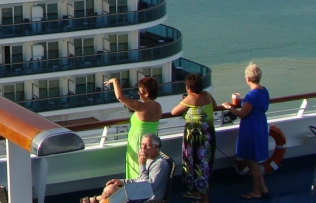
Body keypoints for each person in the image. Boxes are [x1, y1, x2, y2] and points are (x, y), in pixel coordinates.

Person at [222, 62, 270, 199]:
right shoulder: (264, 91)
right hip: (260, 124)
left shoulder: (251, 96)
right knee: (254, 160)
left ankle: (256, 192)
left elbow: (242, 114)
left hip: (251, 129)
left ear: (247, 79)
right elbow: (254, 106)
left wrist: (229, 107)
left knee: (252, 161)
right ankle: (263, 187)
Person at [81, 133, 169, 203]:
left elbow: (148, 187)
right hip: (140, 192)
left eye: (147, 145)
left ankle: (95, 200)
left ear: (156, 146)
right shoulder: (148, 158)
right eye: (142, 145)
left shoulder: (159, 164)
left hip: (149, 198)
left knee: (108, 199)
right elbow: (140, 179)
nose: (143, 148)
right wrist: (121, 181)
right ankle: (96, 200)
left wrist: (142, 165)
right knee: (109, 189)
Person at [171, 72, 217, 202]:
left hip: (196, 138)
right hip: (208, 134)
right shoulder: (207, 95)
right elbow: (214, 106)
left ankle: (201, 196)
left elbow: (174, 111)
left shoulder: (191, 98)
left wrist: (185, 101)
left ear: (189, 88)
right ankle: (199, 193)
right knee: (205, 164)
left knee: (194, 164)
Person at [107, 76, 162, 179]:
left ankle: (137, 190)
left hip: (139, 141)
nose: (138, 93)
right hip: (152, 139)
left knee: (137, 167)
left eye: (141, 91)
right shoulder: (158, 106)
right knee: (148, 165)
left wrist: (114, 81)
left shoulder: (141, 106)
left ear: (146, 93)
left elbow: (120, 97)